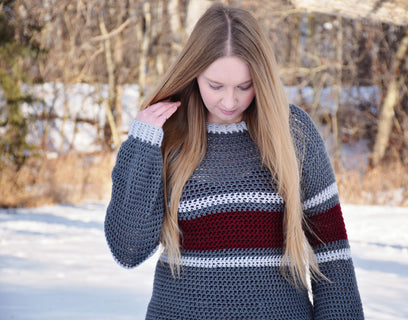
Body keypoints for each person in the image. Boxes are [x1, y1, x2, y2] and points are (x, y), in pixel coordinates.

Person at [105, 3, 364, 319]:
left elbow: (331, 253)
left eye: (245, 86)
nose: (229, 101)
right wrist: (142, 147)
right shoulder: (165, 136)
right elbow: (128, 250)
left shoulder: (292, 132)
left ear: (262, 77)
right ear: (193, 72)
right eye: (215, 86)